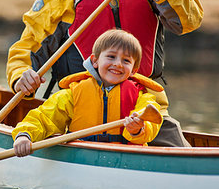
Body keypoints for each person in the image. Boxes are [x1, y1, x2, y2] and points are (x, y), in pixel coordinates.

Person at [6, 0, 203, 147]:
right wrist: (21, 75)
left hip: (144, 109)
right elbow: (26, 49)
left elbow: (191, 20)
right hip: (78, 111)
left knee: (185, 159)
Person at [13, 29, 163, 157]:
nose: (118, 64)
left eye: (126, 61)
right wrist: (24, 135)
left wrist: (138, 130)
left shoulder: (142, 98)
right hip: (82, 156)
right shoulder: (73, 93)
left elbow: (152, 120)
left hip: (125, 159)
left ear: (134, 70)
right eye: (111, 57)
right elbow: (44, 117)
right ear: (95, 61)